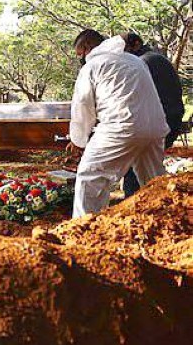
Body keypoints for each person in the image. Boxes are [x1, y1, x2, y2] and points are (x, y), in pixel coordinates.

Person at [69, 30, 169, 218]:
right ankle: (170, 221)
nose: (80, 59)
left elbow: (83, 107)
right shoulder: (135, 61)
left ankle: (83, 230)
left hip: (121, 127)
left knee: (90, 177)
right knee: (156, 181)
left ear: (84, 49)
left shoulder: (92, 66)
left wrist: (79, 140)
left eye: (79, 55)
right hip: (155, 128)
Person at [122, 32, 184, 197]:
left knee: (134, 172)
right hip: (168, 119)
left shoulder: (143, 62)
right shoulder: (154, 58)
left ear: (135, 45)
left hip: (161, 121)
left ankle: (140, 211)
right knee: (146, 170)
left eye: (123, 49)